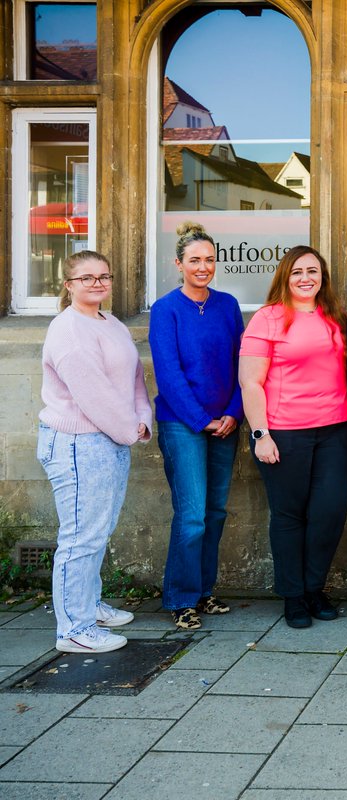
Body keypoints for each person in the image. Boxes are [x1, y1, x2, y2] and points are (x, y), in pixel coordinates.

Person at [38, 251, 151, 653]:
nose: (97, 283)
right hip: (77, 443)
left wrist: (142, 417)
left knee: (98, 530)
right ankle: (73, 629)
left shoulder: (110, 322)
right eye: (87, 278)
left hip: (109, 437)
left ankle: (87, 605)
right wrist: (129, 428)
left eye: (104, 276)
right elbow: (93, 393)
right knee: (80, 537)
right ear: (69, 285)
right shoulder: (68, 330)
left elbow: (134, 377)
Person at [239, 246, 347, 629]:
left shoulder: (333, 316)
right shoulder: (267, 319)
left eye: (313, 271)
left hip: (335, 430)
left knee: (329, 513)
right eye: (298, 272)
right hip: (284, 432)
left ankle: (314, 588)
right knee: (289, 516)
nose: (306, 278)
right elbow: (250, 382)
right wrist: (261, 434)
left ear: (323, 277)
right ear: (285, 277)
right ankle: (293, 596)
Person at [149, 222, 244, 631]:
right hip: (183, 424)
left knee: (215, 512)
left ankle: (204, 592)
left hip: (225, 423)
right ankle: (181, 598)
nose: (203, 267)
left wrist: (234, 412)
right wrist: (202, 419)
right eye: (194, 260)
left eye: (209, 260)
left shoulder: (228, 306)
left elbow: (243, 364)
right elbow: (168, 374)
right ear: (179, 264)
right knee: (191, 516)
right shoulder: (166, 309)